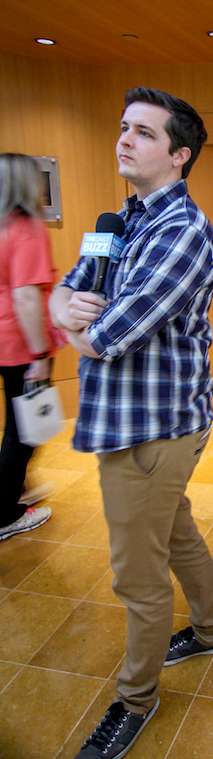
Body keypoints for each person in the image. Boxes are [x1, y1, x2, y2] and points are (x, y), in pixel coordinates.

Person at [50, 88, 213, 759]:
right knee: (174, 530)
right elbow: (65, 292)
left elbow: (108, 334)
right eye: (124, 127)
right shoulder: (120, 219)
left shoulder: (181, 231)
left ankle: (135, 700)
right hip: (126, 421)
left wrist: (75, 320)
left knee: (138, 577)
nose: (125, 139)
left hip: (153, 427)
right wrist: (67, 309)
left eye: (144, 133)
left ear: (179, 154)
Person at [0, 153, 56, 541]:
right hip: (17, 344)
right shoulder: (27, 228)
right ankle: (6, 513)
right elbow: (25, 297)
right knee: (25, 430)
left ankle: (17, 487)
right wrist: (40, 355)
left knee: (16, 425)